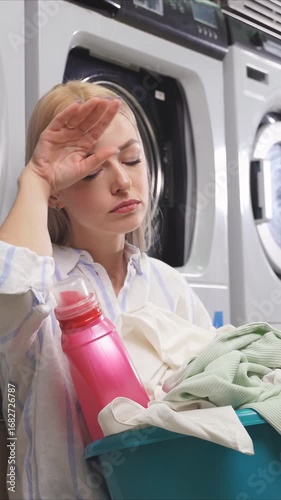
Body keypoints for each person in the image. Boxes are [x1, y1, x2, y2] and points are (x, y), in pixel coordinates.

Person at [0, 80, 214, 500]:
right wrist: (38, 179)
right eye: (93, 171)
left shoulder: (169, 286)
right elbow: (8, 298)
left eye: (132, 159)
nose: (123, 182)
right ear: (57, 194)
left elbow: (212, 396)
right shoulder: (45, 276)